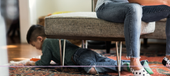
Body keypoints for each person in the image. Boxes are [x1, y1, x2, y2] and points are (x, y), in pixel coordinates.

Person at [25, 25, 153, 75]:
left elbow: (45, 62)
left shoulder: (47, 43)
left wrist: (33, 63)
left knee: (92, 69)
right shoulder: (54, 39)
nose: (35, 48)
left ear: (40, 39)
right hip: (85, 52)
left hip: (78, 57)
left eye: (33, 44)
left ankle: (127, 66)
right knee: (106, 61)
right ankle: (138, 64)